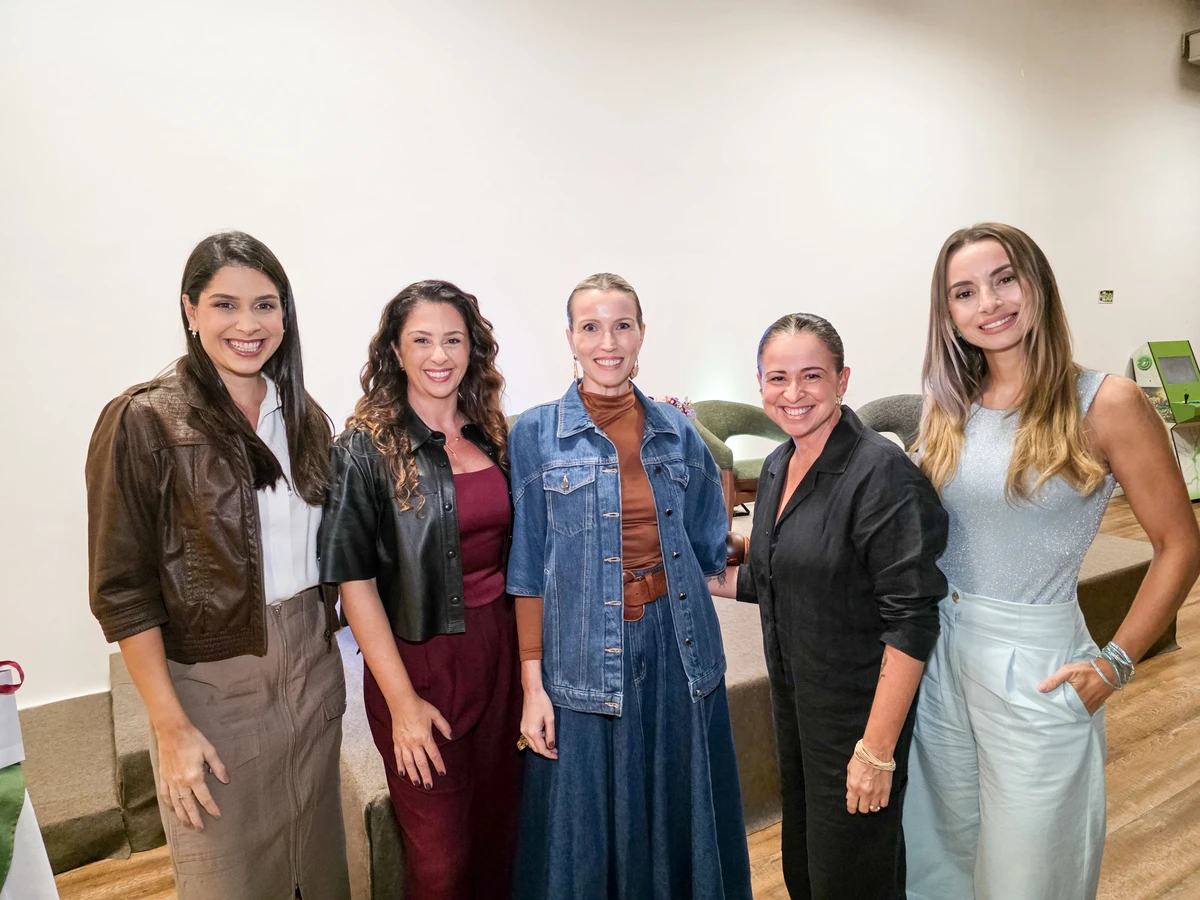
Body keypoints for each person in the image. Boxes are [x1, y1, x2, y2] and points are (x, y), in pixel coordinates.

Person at [903, 223, 1200, 899]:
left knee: (1029, 878)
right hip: (940, 655)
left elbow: (1182, 545)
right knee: (937, 865)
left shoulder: (1105, 401)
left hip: (1035, 663)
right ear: (947, 313)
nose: (990, 303)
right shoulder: (947, 407)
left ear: (1037, 284)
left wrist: (1115, 661)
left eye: (1005, 279)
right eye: (964, 292)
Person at [86, 231, 350, 899]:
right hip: (212, 689)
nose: (247, 324)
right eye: (225, 304)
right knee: (228, 879)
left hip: (312, 675)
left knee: (315, 874)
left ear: (285, 315)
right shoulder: (144, 420)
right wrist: (171, 728)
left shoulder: (306, 417)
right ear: (190, 310)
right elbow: (122, 590)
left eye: (265, 305)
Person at [507, 273, 753, 900]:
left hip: (679, 645)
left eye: (622, 326)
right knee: (587, 829)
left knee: (678, 808)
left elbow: (708, 545)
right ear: (570, 338)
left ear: (641, 335)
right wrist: (532, 687)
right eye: (591, 327)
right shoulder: (535, 434)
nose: (607, 342)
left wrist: (792, 554)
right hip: (584, 654)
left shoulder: (677, 431)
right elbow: (530, 569)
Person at [714, 313, 948, 899]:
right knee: (808, 869)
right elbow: (776, 578)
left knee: (852, 878)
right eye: (777, 378)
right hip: (795, 702)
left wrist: (875, 751)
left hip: (857, 713)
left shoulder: (881, 473)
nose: (793, 394)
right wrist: (681, 573)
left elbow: (912, 619)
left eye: (811, 376)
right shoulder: (777, 465)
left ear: (843, 381)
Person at [319, 281, 522, 899]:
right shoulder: (362, 450)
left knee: (499, 839)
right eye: (422, 340)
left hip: (502, 658)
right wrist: (402, 704)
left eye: (453, 340)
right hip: (419, 665)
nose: (440, 355)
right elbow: (353, 586)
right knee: (440, 863)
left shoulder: (494, 434)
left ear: (473, 350)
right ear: (396, 352)